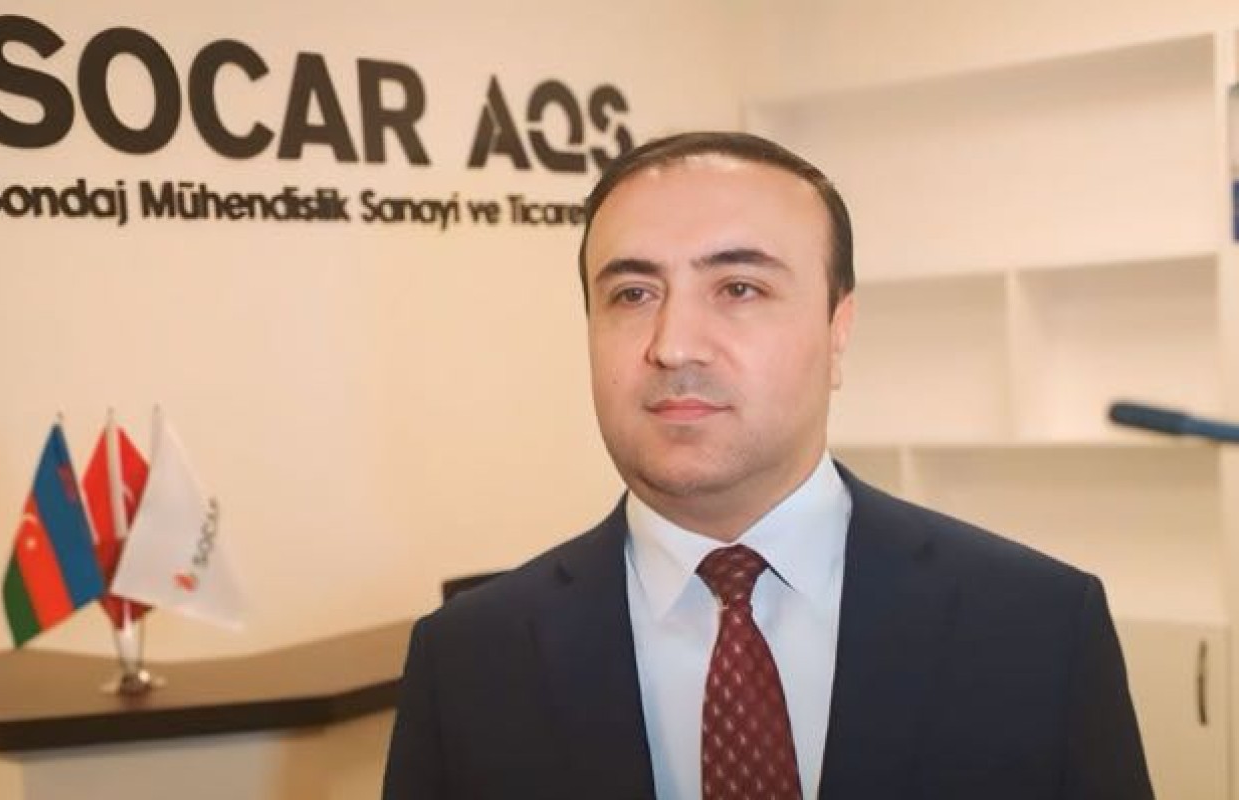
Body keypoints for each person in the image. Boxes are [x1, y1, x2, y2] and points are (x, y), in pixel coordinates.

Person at [382, 131, 1153, 799]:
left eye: (739, 287)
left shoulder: (1040, 628)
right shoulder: (465, 662)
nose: (673, 345)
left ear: (838, 329)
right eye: (633, 294)